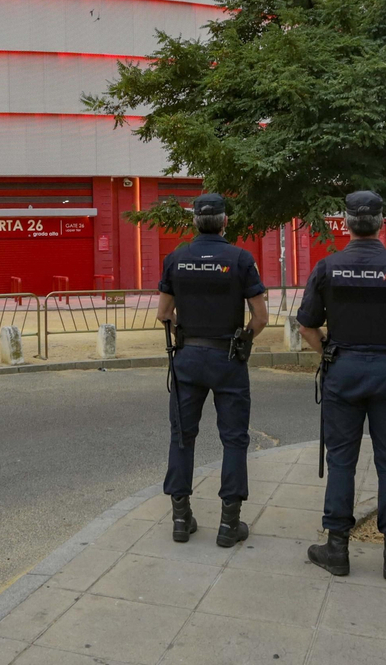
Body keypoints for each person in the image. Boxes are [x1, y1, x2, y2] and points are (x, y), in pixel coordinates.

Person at [296, 191, 386, 581]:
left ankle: (337, 548)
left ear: (346, 221)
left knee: (342, 458)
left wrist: (327, 351)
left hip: (343, 369)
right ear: (380, 222)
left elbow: (306, 325)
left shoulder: (328, 267)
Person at [157, 193, 269, 547]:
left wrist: (183, 332)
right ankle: (229, 524)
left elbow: (163, 313)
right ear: (225, 222)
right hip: (228, 360)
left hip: (188, 357)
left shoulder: (176, 258)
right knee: (233, 439)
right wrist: (243, 338)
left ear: (194, 222)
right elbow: (261, 317)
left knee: (182, 436)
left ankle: (180, 518)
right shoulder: (240, 258)